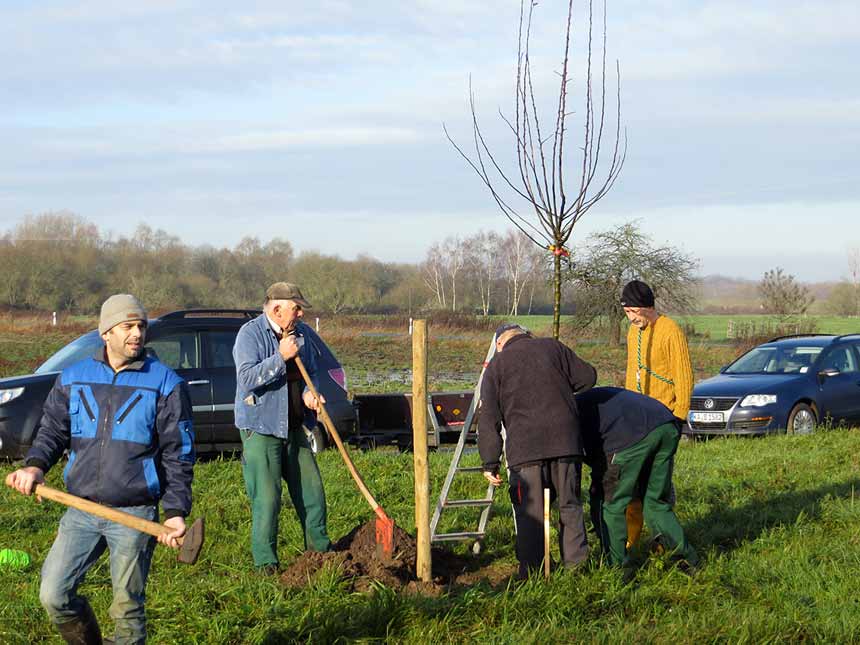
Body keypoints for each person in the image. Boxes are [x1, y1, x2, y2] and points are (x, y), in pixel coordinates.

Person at [5, 294, 194, 644]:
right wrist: (34, 467)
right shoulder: (74, 378)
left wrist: (175, 512)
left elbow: (178, 454)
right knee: (54, 594)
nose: (137, 333)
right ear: (106, 332)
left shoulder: (165, 384)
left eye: (141, 326)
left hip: (134, 511)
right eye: (127, 326)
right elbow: (52, 431)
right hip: (80, 508)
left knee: (126, 609)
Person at [479, 323, 597, 579]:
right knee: (570, 505)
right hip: (566, 443)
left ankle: (532, 574)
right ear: (527, 335)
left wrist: (490, 462)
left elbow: (488, 418)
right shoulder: (553, 347)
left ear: (499, 344)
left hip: (525, 450)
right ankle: (577, 571)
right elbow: (588, 377)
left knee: (530, 512)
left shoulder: (496, 367)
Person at [233, 281, 330, 574]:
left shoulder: (300, 336)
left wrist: (310, 394)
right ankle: (266, 563)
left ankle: (321, 554)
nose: (300, 314)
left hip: (295, 427)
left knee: (313, 493)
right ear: (277, 308)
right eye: (296, 308)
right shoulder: (250, 335)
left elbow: (311, 372)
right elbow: (247, 378)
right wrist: (281, 357)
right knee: (268, 498)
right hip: (261, 428)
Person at [577, 386, 698, 571]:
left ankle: (617, 567)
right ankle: (687, 560)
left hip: (628, 436)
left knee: (607, 501)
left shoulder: (568, 418)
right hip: (666, 423)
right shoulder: (583, 402)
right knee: (654, 501)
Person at [621, 279, 694, 545]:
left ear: (645, 306)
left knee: (658, 485)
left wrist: (679, 416)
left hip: (664, 420)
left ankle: (663, 540)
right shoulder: (634, 333)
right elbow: (632, 372)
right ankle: (631, 540)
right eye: (626, 312)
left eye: (632, 311)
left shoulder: (670, 331)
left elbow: (683, 376)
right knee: (634, 483)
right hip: (638, 422)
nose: (630, 318)